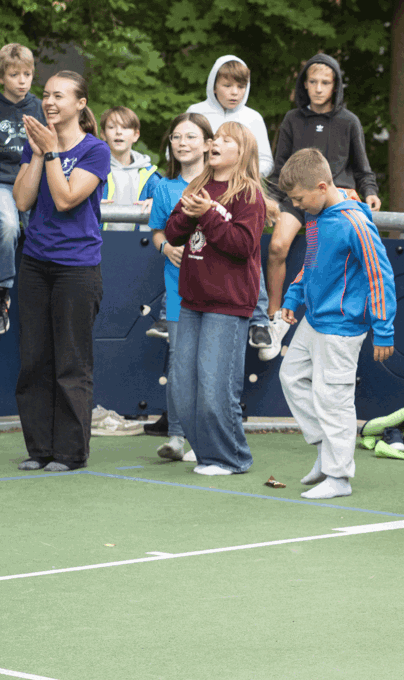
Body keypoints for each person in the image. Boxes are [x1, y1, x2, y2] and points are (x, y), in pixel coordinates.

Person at [276, 148, 395, 499]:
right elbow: (309, 262)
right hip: (314, 319)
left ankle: (339, 476)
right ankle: (325, 451)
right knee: (291, 376)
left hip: (342, 326)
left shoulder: (354, 222)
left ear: (322, 186)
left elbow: (380, 274)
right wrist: (294, 297)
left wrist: (383, 328)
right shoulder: (316, 216)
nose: (297, 206)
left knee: (334, 398)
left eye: (299, 199)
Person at [12, 70, 109, 471]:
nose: (49, 102)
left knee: (71, 363)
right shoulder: (38, 145)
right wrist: (38, 152)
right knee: (34, 360)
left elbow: (67, 198)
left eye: (59, 96)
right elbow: (21, 200)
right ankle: (40, 449)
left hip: (77, 268)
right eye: (46, 95)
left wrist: (52, 152)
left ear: (80, 104)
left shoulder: (95, 150)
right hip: (36, 263)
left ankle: (70, 453)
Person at [163, 122, 268, 476]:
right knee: (184, 390)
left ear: (243, 152)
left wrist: (206, 214)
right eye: (216, 138)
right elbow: (174, 233)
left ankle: (232, 457)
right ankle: (208, 454)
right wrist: (189, 213)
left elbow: (242, 246)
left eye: (227, 139)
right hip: (193, 300)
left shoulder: (249, 194)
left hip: (229, 302)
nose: (216, 143)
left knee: (214, 388)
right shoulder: (197, 185)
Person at [266, 53, 381, 346]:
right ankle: (274, 315)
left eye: (325, 82)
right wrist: (268, 199)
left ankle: (328, 315)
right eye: (313, 81)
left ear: (335, 85)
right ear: (304, 84)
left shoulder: (349, 121)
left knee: (328, 258)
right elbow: (280, 168)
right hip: (296, 196)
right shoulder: (292, 119)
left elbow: (362, 167)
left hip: (334, 198)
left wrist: (370, 193)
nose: (318, 88)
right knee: (278, 245)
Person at [186, 55, 278, 356]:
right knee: (194, 246)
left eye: (241, 85)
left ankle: (260, 320)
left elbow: (265, 160)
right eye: (227, 85)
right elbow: (183, 146)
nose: (234, 92)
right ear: (214, 84)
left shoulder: (253, 118)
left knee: (246, 246)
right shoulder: (196, 112)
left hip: (242, 188)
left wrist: (240, 172)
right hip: (201, 187)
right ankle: (168, 313)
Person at [149, 112, 215, 464]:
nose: (182, 144)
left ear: (208, 144)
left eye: (190, 137)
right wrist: (166, 247)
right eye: (176, 137)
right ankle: (176, 437)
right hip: (178, 289)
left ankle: (205, 438)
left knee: (210, 366)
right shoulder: (165, 188)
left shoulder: (223, 184)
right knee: (179, 364)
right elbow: (158, 231)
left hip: (216, 292)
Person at [0, 43, 44, 334]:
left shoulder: (39, 106)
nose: (22, 81)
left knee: (38, 233)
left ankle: (39, 295)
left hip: (32, 178)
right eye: (14, 75)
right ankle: (3, 290)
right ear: (2, 77)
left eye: (27, 74)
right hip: (3, 181)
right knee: (8, 226)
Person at [98, 106, 161, 231]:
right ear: (103, 134)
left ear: (136, 135)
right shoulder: (92, 170)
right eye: (111, 127)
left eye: (125, 127)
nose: (118, 132)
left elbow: (167, 205)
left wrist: (157, 202)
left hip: (138, 244)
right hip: (97, 242)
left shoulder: (150, 175)